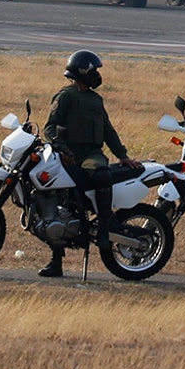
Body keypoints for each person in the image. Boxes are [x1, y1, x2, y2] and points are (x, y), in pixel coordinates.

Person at [41, 49, 137, 278]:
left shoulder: (96, 100)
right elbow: (50, 127)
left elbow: (108, 130)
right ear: (83, 71)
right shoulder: (65, 96)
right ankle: (56, 262)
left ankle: (103, 230)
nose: (98, 76)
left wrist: (122, 155)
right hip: (70, 153)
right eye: (94, 71)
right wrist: (61, 149)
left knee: (102, 174)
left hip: (91, 154)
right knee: (57, 201)